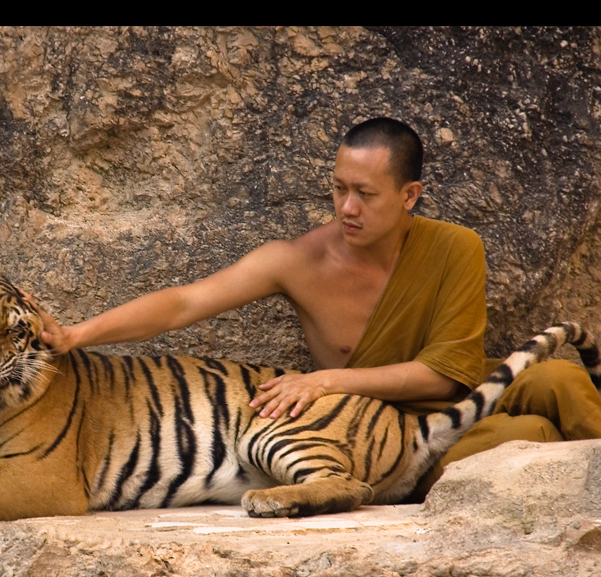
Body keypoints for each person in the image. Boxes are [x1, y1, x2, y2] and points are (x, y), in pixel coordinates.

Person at [38, 116, 601, 500]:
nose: (347, 208)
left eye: (366, 193)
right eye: (338, 189)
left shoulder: (456, 246)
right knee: (524, 433)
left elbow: (446, 373)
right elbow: (186, 302)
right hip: (384, 434)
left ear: (410, 195)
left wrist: (327, 380)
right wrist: (76, 335)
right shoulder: (297, 261)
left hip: (461, 389)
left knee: (561, 380)